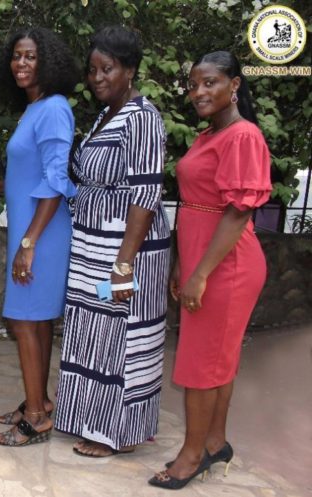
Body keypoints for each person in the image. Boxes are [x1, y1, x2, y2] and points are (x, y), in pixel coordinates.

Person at [149, 51, 271, 490]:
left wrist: (201, 273)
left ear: (234, 85)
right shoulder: (208, 136)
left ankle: (192, 455)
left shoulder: (242, 136)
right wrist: (185, 262)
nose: (198, 92)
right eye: (194, 84)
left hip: (227, 264)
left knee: (202, 362)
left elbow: (238, 211)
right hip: (204, 259)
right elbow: (196, 206)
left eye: (210, 83)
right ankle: (216, 442)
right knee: (217, 359)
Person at [54, 26, 171, 457]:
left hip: (125, 249)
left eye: (108, 69)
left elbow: (144, 195)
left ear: (130, 70)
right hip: (94, 243)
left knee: (121, 333)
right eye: (93, 70)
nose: (98, 77)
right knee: (93, 329)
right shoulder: (107, 114)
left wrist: (124, 265)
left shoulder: (142, 118)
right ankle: (88, 418)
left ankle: (114, 432)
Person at [0, 27, 79, 447]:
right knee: (35, 321)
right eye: (16, 56)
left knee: (24, 320)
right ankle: (37, 401)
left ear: (49, 61)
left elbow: (56, 178)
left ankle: (37, 419)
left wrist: (28, 243)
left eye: (30, 56)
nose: (21, 63)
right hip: (31, 229)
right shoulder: (35, 108)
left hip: (42, 232)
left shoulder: (55, 108)